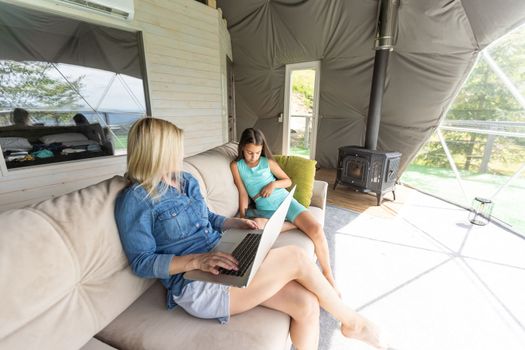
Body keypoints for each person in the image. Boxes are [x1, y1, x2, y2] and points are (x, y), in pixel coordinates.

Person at [114, 118, 386, 350]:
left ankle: (352, 323)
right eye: (175, 148)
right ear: (157, 151)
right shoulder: (135, 199)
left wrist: (237, 224)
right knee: (295, 257)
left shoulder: (185, 181)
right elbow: (142, 261)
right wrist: (197, 261)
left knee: (306, 304)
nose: (180, 153)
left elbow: (207, 218)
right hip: (195, 283)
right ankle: (354, 323)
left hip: (224, 258)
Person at [230, 128, 337, 289]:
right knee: (256, 225)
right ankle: (294, 224)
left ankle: (328, 275)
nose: (253, 157)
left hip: (285, 201)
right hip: (264, 209)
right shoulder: (236, 166)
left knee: (316, 229)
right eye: (249, 152)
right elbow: (243, 193)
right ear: (242, 148)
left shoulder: (268, 163)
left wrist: (273, 184)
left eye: (257, 153)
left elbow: (287, 181)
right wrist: (243, 215)